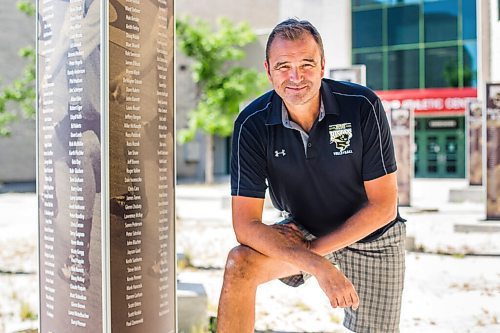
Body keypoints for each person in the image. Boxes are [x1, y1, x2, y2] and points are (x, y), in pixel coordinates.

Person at [216, 19, 406, 333]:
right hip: (303, 229)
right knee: (240, 264)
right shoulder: (251, 124)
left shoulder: (362, 106)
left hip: (373, 236)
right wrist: (316, 263)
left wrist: (313, 257)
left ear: (322, 66)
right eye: (283, 66)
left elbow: (384, 207)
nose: (295, 77)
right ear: (268, 70)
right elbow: (245, 225)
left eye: (306, 64)